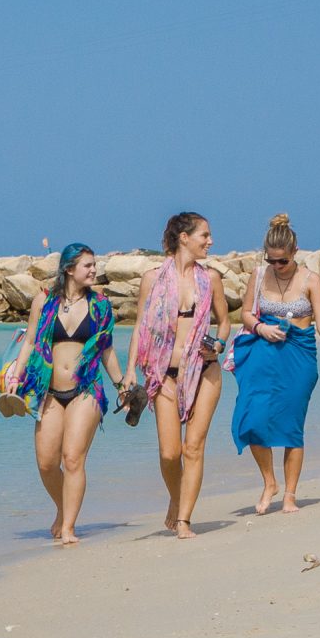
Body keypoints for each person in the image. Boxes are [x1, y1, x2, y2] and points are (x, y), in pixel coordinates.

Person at [1, 244, 138, 546]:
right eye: (88, 265)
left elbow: (106, 351)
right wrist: (15, 376)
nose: (94, 270)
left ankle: (68, 527)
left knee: (73, 458)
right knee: (47, 463)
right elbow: (30, 342)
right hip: (49, 391)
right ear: (69, 269)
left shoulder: (100, 305)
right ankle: (63, 507)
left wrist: (122, 388)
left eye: (94, 264)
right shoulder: (44, 301)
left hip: (86, 390)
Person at [231, 214, 320, 515]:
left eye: (282, 261)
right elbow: (245, 313)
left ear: (294, 252)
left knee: (291, 426)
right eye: (271, 260)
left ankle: (290, 495)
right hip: (263, 353)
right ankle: (269, 482)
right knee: (252, 418)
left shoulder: (310, 280)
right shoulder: (259, 274)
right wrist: (261, 328)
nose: (276, 266)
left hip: (298, 357)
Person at [129, 212, 234, 540]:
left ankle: (185, 520)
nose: (210, 241)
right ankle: (177, 498)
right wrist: (130, 372)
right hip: (164, 375)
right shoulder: (152, 279)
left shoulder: (211, 278)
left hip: (205, 371)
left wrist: (218, 344)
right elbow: (140, 328)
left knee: (193, 447)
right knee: (169, 453)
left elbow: (225, 322)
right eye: (205, 235)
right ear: (184, 237)